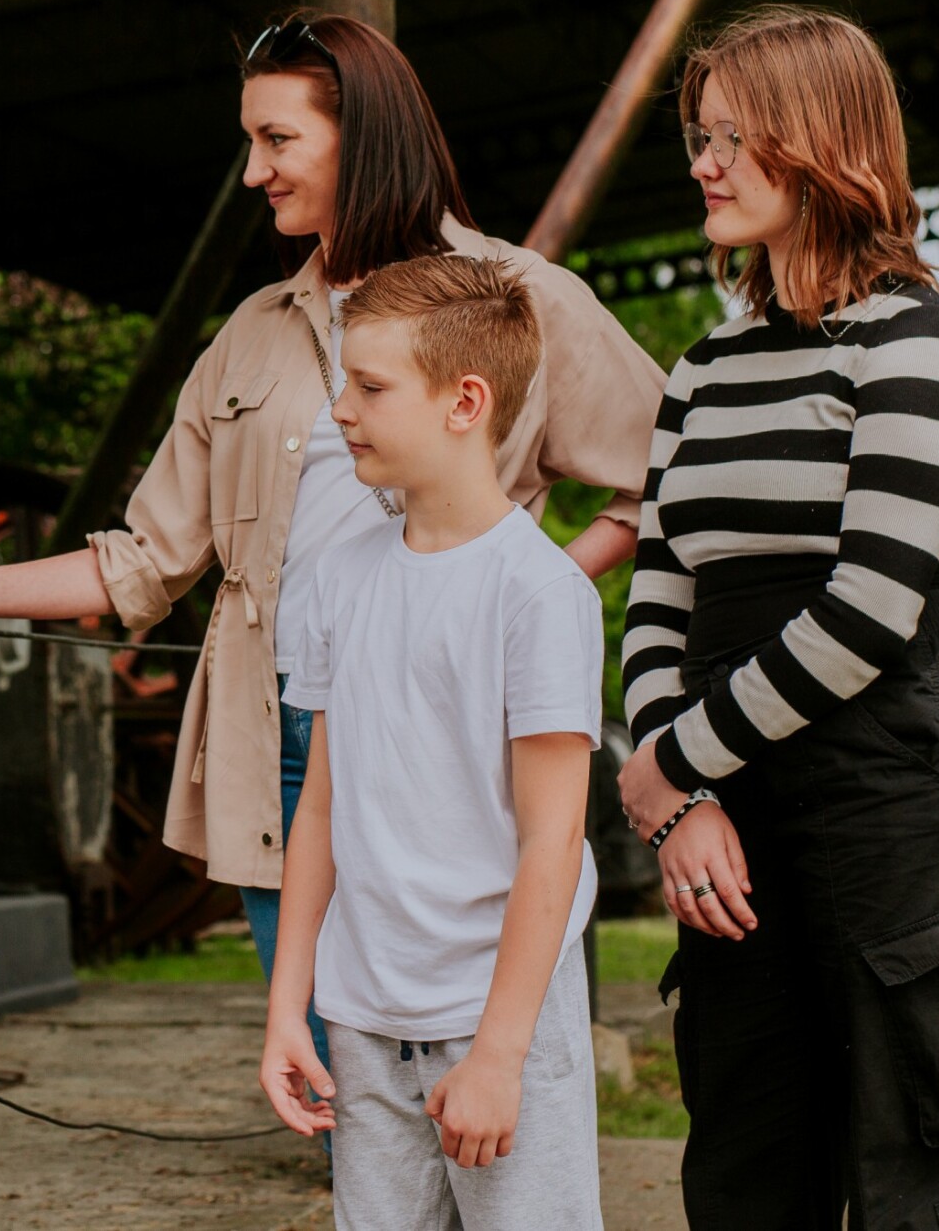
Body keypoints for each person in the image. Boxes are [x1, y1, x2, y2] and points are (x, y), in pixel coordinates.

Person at [0, 11, 663, 1047]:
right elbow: (141, 564)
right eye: (249, 140)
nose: (252, 170)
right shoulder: (248, 338)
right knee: (336, 1087)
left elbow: (668, 479)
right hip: (291, 752)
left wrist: (518, 587)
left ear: (363, 135)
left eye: (277, 138)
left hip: (455, 741)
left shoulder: (520, 299)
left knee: (478, 1082)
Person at [613, 7, 939, 1228]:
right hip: (729, 813)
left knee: (936, 1172)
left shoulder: (921, 343)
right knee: (747, 1166)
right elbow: (657, 591)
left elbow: (867, 608)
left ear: (821, 144)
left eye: (732, 136)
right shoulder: (700, 366)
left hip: (900, 793)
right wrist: (684, 800)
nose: (702, 162)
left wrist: (667, 764)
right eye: (698, 135)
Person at [256, 255, 605, 1229]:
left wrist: (498, 1050)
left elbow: (553, 837)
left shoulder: (538, 594)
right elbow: (317, 806)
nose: (340, 411)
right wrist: (293, 1004)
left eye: (369, 388)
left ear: (464, 401)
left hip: (499, 1022)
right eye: (342, 383)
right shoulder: (338, 578)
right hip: (363, 1019)